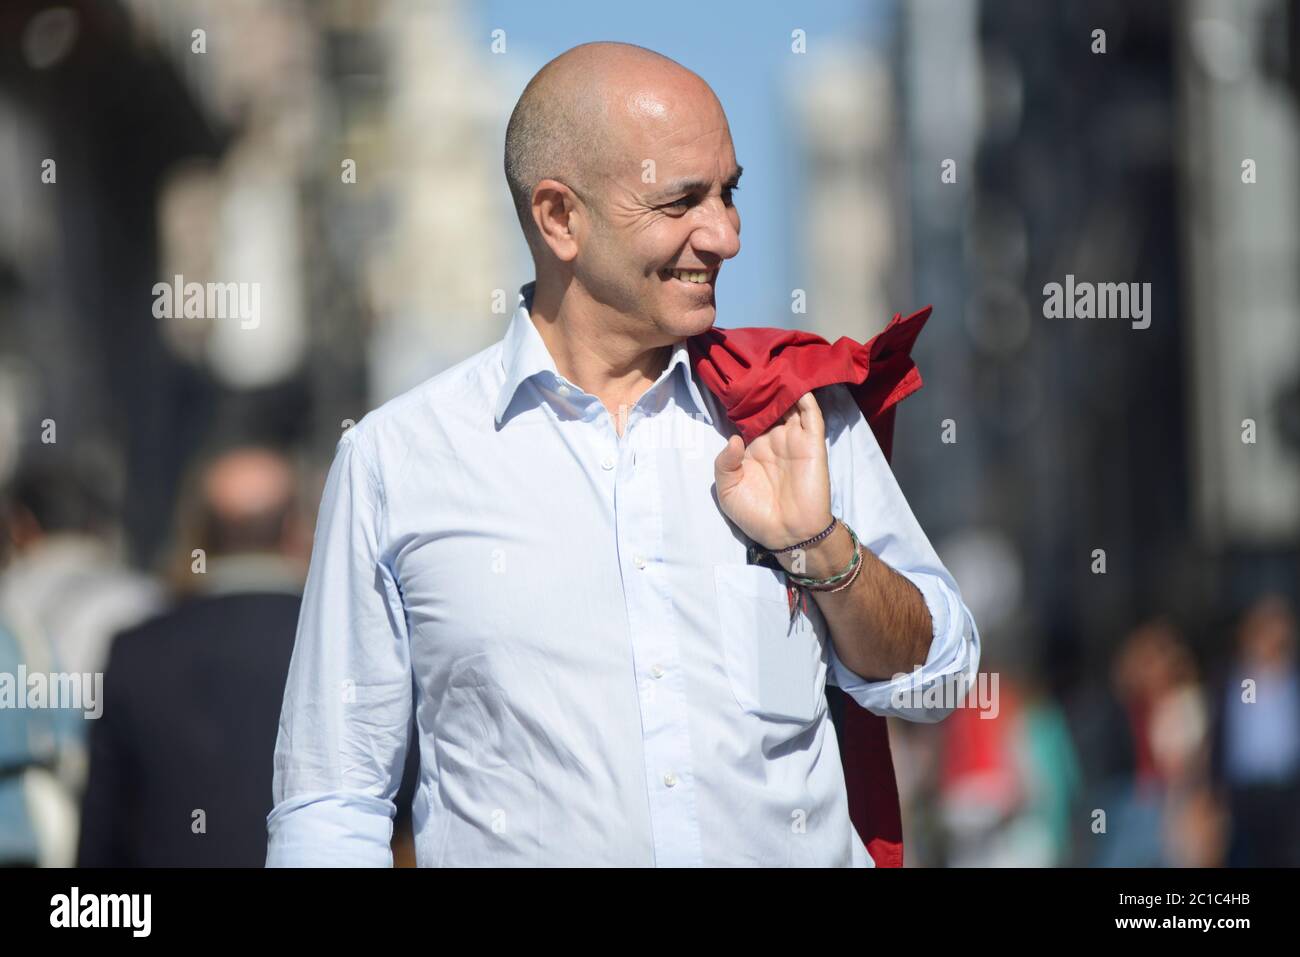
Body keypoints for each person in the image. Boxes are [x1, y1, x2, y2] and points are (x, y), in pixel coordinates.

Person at [267, 41, 979, 867]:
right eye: (681, 202)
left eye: (729, 193)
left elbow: (942, 680)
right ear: (559, 217)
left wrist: (823, 550)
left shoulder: (793, 409)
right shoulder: (396, 461)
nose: (727, 236)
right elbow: (333, 799)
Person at [77, 447, 308, 866]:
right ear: (294, 529)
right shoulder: (340, 647)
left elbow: (102, 828)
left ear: (198, 532)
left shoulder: (135, 651)